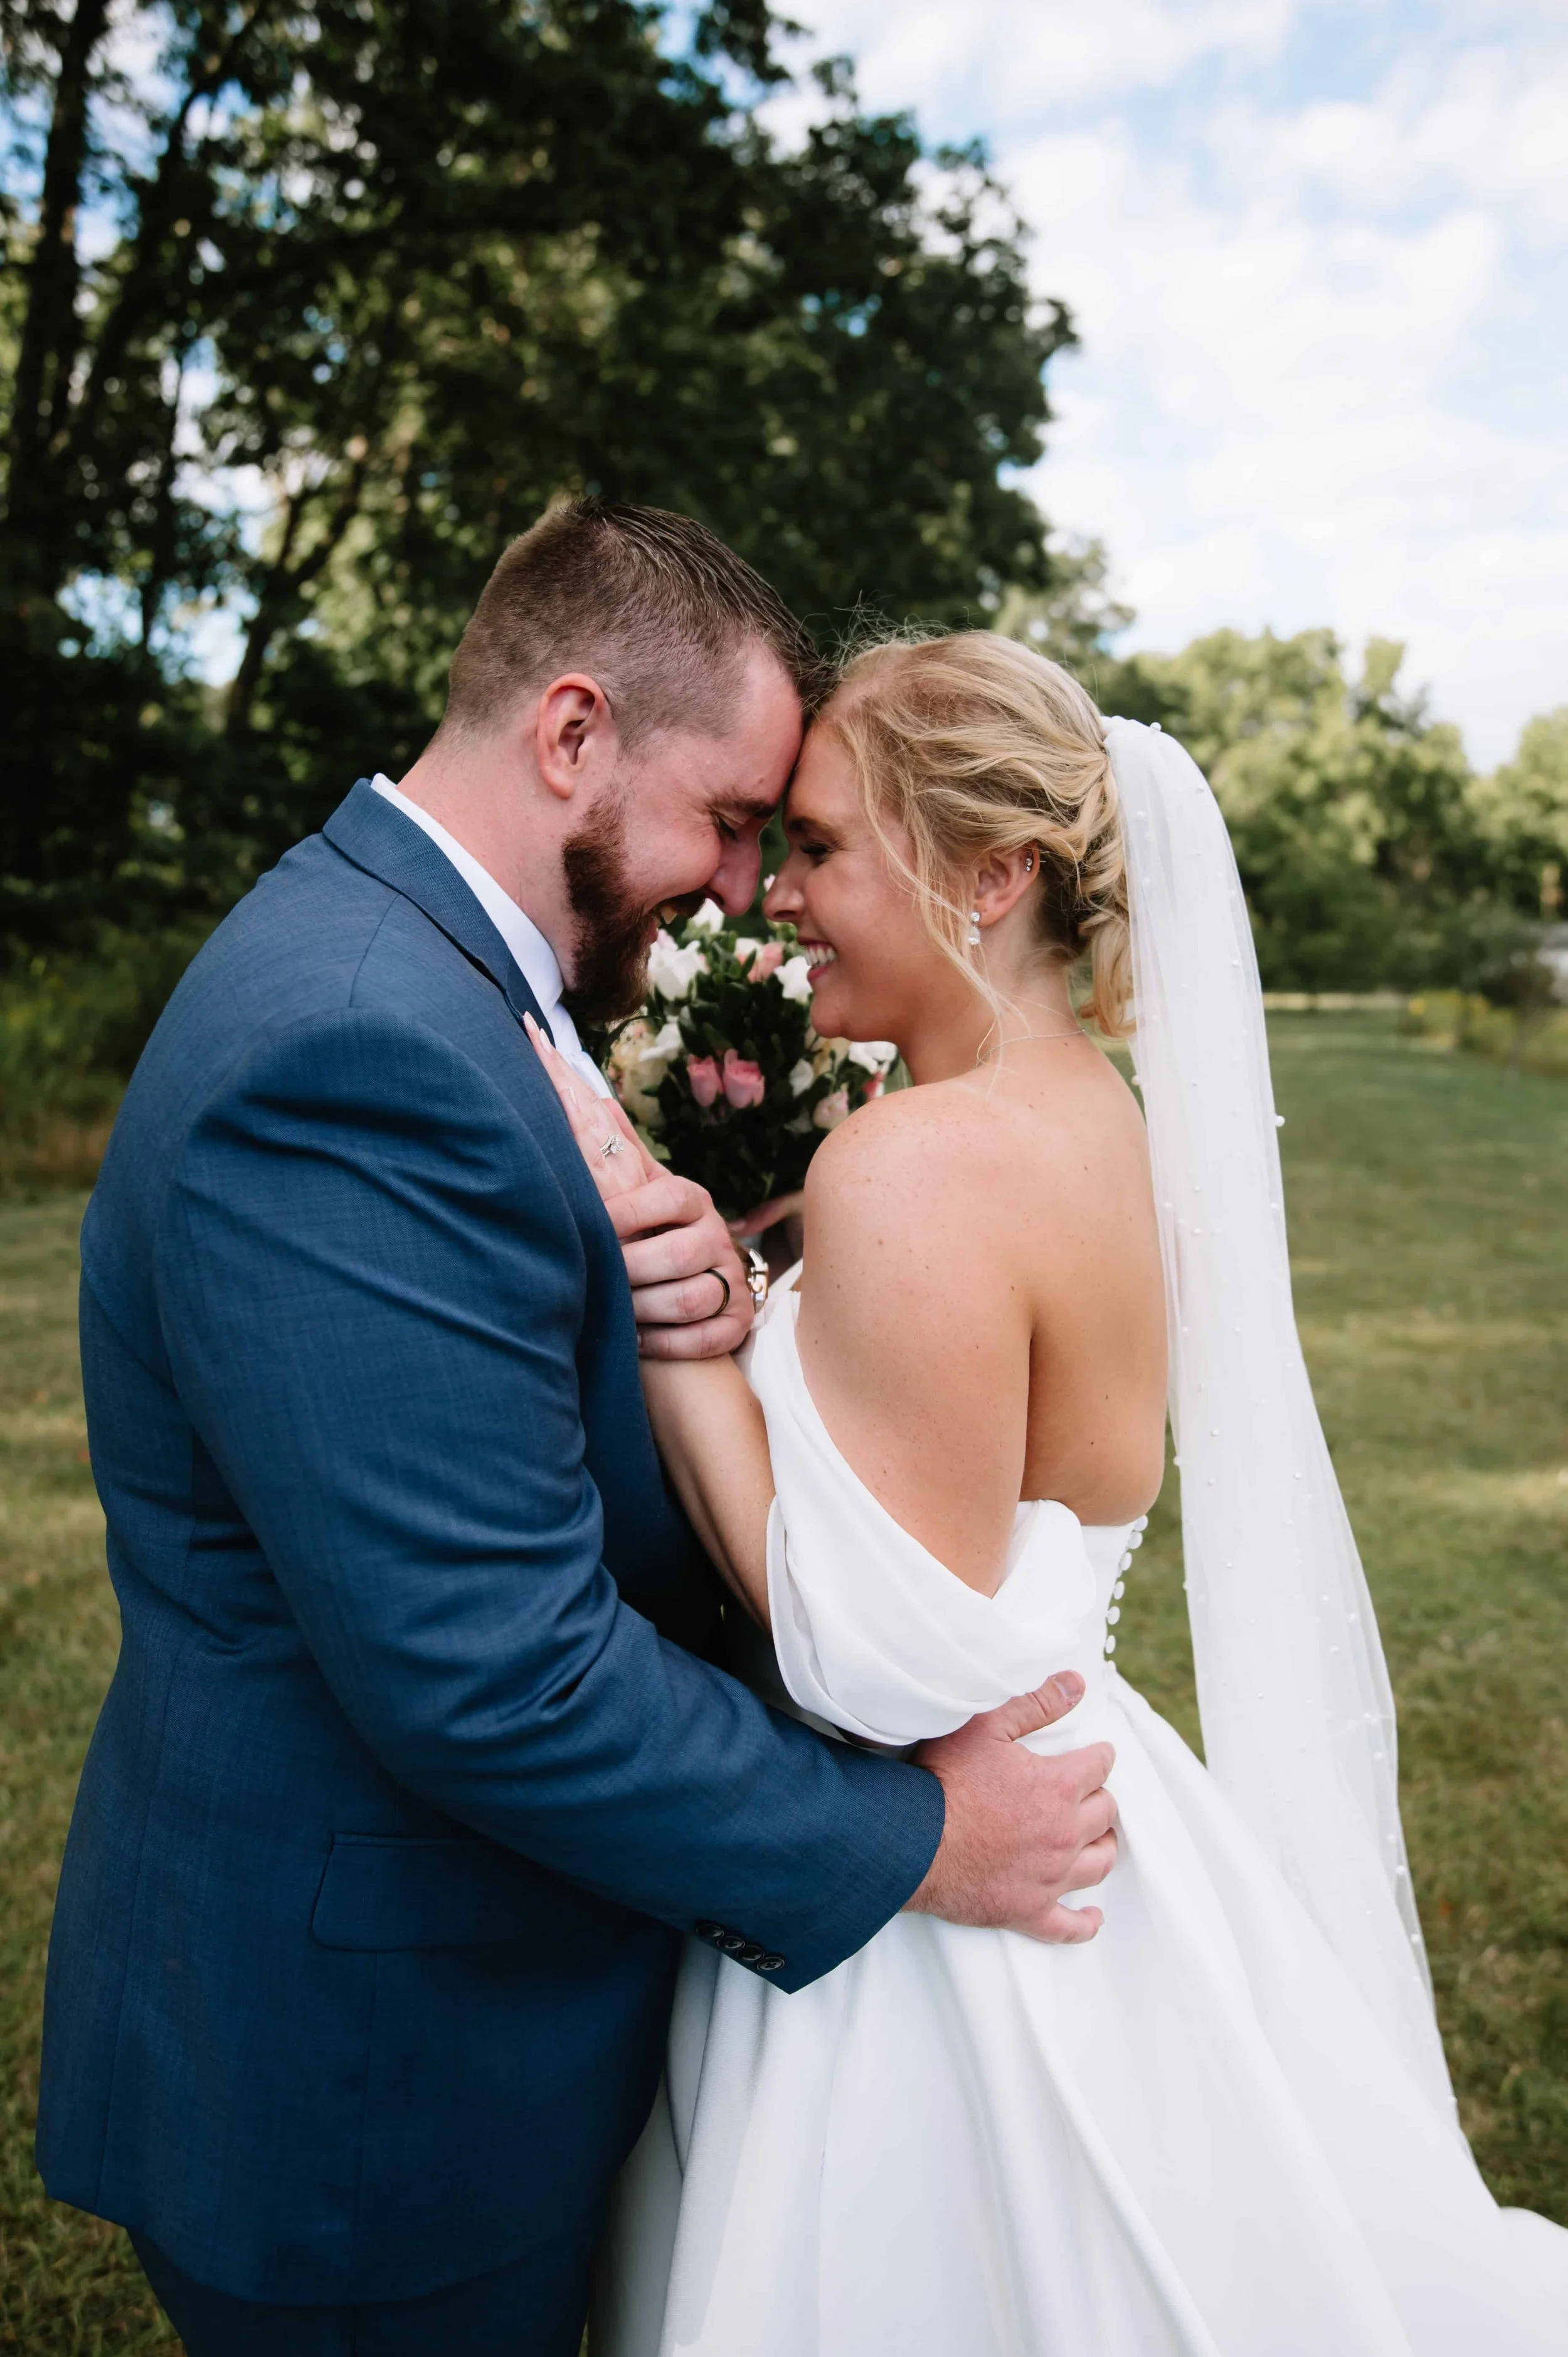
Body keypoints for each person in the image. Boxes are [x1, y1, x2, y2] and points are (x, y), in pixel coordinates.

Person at [35, 509, 1121, 2357]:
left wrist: (701, 1313)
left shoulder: (434, 988)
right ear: (570, 734)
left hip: (458, 2017)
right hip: (375, 2093)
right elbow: (493, 1669)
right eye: (725, 821)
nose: (735, 889)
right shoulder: (359, 1046)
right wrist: (911, 1839)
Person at [535, 629, 1568, 2356]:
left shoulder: (912, 1163)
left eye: (824, 845)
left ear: (990, 870)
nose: (775, 896)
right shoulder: (1102, 1121)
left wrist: (678, 1336)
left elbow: (865, 1648)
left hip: (941, 1896)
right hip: (1099, 1813)